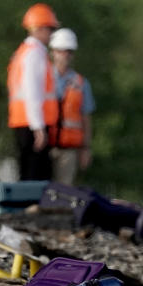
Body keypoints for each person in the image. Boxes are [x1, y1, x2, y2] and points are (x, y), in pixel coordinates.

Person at [7, 3, 59, 180]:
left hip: (23, 121)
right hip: (32, 123)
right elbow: (33, 92)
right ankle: (33, 208)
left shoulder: (23, 52)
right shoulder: (35, 53)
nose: (51, 34)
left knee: (28, 172)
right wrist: (38, 128)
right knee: (36, 174)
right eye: (49, 29)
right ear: (39, 28)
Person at [48, 28, 95, 184]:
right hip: (44, 145)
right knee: (40, 191)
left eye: (69, 51)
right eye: (61, 51)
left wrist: (86, 149)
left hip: (69, 150)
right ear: (53, 52)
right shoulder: (43, 78)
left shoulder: (81, 83)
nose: (65, 55)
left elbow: (86, 118)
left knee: (63, 192)